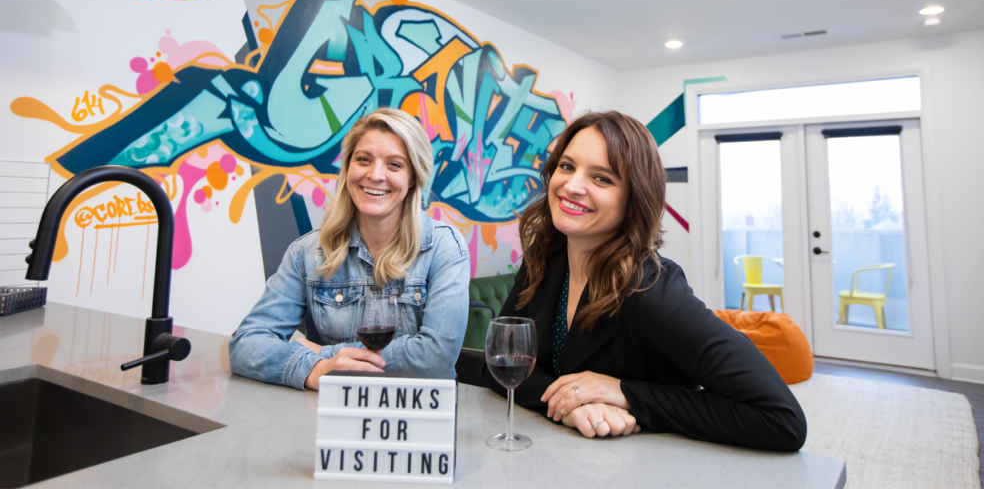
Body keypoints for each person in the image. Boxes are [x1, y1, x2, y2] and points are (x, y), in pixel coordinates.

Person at [461, 111, 806, 451]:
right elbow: (504, 366)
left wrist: (625, 393)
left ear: (634, 198)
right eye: (567, 167)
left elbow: (781, 419)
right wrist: (572, 406)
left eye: (602, 178)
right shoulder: (545, 259)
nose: (572, 185)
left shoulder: (653, 289)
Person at [229, 108, 470, 391]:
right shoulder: (306, 252)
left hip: (419, 417)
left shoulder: (444, 247)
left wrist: (324, 355)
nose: (375, 175)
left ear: (414, 178)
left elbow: (435, 357)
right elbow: (245, 344)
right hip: (337, 417)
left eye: (394, 165)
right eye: (363, 160)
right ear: (348, 169)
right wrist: (314, 369)